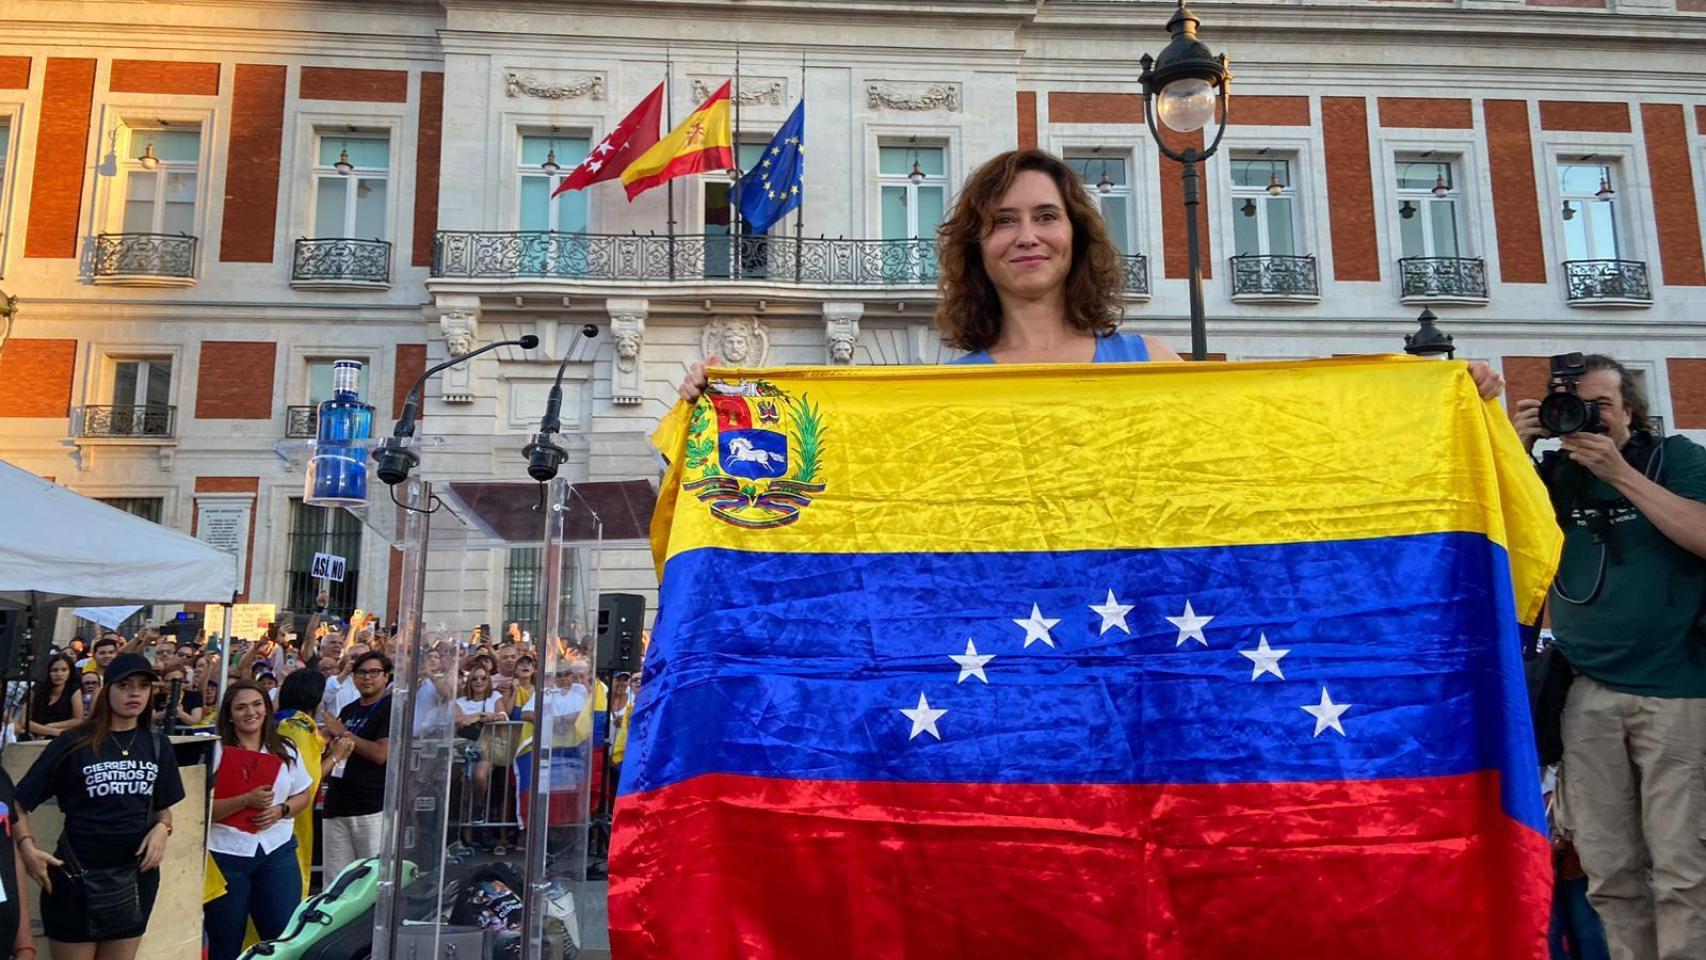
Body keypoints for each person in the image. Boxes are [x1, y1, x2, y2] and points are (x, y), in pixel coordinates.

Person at [677, 149, 1506, 393]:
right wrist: (717, 412)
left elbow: (1279, 447)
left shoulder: (1150, 364)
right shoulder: (952, 388)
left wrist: (1430, 401)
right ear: (977, 248)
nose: (1026, 236)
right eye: (1002, 222)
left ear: (1076, 236)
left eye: (1046, 216)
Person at [1515, 355, 1706, 960]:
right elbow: (1478, 525)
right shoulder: (1552, 475)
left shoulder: (1673, 460)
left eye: (1599, 406)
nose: (1585, 419)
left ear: (1629, 411)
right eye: (1572, 405)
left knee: (1683, 865)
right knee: (1609, 869)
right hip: (1587, 692)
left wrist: (1619, 474)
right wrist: (1514, 449)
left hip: (1677, 686)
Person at [15, 654, 185, 958]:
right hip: (75, 878)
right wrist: (27, 848)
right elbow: (16, 802)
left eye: (143, 686)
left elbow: (163, 806)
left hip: (134, 879)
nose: (135, 693)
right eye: (125, 685)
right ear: (108, 690)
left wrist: (163, 827)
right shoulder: (73, 743)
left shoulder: (157, 745)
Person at [204, 681, 314, 960]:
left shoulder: (286, 749)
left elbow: (303, 793)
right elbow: (201, 812)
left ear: (266, 709)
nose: (249, 712)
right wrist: (244, 801)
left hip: (276, 851)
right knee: (226, 941)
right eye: (240, 707)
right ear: (229, 714)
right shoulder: (214, 753)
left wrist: (283, 810)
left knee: (283, 937)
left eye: (256, 705)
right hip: (226, 855)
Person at [319, 650, 392, 881]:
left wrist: (344, 733)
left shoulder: (390, 707)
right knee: (336, 881)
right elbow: (336, 749)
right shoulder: (349, 709)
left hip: (370, 807)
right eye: (361, 673)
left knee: (370, 880)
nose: (367, 678)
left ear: (386, 676)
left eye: (374, 672)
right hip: (337, 804)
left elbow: (381, 754)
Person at [274, 670, 326, 898]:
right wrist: (336, 756)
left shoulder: (281, 721)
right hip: (290, 821)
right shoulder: (300, 728)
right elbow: (307, 785)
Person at [454, 666, 506, 852]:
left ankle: (479, 807)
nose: (478, 682)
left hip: (488, 746)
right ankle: (467, 837)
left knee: (480, 775)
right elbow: (459, 720)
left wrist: (487, 717)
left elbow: (503, 716)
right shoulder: (460, 701)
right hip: (465, 747)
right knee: (465, 793)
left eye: (483, 678)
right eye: (475, 678)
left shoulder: (495, 698)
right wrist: (481, 716)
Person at [21, 655, 83, 740]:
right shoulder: (36, 689)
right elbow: (24, 721)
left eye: (64, 670)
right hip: (35, 737)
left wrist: (51, 726)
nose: (59, 674)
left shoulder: (73, 689)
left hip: (62, 738)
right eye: (54, 670)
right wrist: (51, 731)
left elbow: (78, 720)